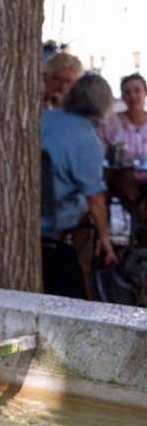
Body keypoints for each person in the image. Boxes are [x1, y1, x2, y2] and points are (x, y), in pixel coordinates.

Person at [42, 73, 118, 296]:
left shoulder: (44, 118)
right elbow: (95, 198)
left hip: (24, 206)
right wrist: (105, 238)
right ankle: (83, 283)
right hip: (53, 216)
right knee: (89, 217)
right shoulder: (89, 142)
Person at [98, 73, 147, 244]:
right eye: (128, 92)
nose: (133, 96)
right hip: (122, 177)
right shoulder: (112, 122)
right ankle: (143, 221)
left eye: (137, 91)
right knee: (123, 177)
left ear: (144, 93)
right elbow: (99, 150)